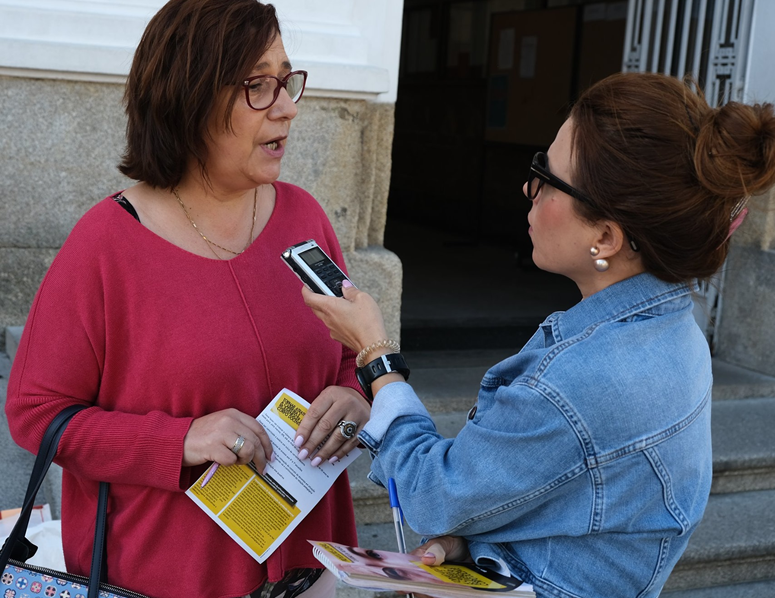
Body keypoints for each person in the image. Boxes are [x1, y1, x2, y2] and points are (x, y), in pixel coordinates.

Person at [300, 72, 775, 598]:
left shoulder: (581, 379)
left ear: (605, 237)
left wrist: (376, 355)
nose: (529, 189)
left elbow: (433, 495)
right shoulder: (674, 333)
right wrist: (482, 549)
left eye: (546, 176)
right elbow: (592, 514)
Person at [5, 0, 370, 597]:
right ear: (190, 98)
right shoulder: (106, 243)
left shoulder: (305, 218)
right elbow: (37, 414)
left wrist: (355, 397)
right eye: (258, 86)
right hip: (166, 577)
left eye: (286, 82)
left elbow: (352, 355)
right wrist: (178, 441)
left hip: (307, 572)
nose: (287, 108)